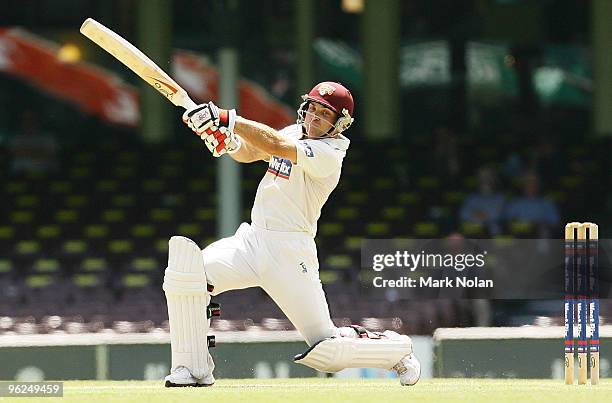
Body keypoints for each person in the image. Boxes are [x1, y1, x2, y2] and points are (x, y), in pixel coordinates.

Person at [162, 82, 420, 387]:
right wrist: (227, 142)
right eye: (311, 107)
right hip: (252, 241)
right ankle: (193, 370)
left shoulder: (330, 153)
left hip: (290, 252)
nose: (313, 117)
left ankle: (396, 351)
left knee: (329, 350)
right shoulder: (294, 131)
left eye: (324, 113)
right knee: (187, 276)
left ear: (340, 123)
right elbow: (253, 152)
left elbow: (274, 146)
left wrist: (226, 118)